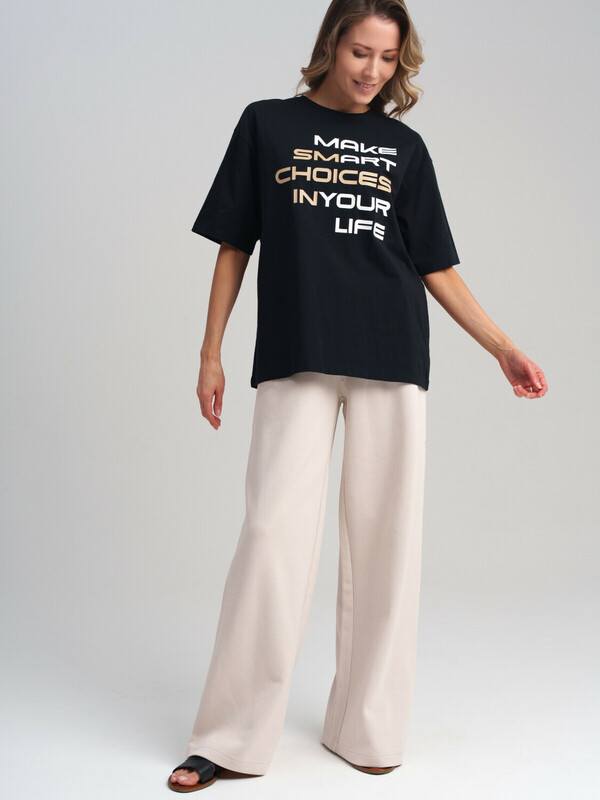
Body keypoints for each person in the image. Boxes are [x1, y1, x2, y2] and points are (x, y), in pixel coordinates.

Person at [168, 0, 548, 792]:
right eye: (360, 53)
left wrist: (502, 346)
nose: (373, 71)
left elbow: (435, 264)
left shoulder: (404, 148)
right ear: (330, 46)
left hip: (390, 349)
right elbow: (235, 243)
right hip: (298, 349)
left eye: (387, 57)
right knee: (271, 537)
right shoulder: (267, 124)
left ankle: (367, 727)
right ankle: (230, 738)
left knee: (386, 542)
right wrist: (210, 352)